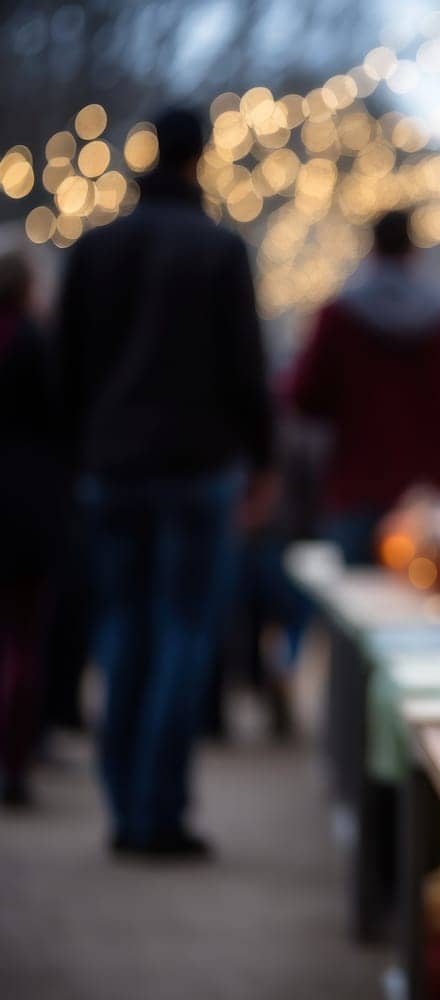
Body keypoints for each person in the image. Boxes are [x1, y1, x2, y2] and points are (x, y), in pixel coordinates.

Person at [57, 107, 276, 857]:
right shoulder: (218, 249)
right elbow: (247, 367)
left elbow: (69, 366)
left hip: (111, 469)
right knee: (183, 635)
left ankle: (127, 807)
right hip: (195, 468)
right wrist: (263, 459)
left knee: (123, 634)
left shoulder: (96, 248)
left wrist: (79, 452)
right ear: (202, 158)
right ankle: (159, 809)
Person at [285, 210, 440, 564]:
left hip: (356, 493)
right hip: (435, 500)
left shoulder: (338, 319)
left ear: (372, 251)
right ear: (415, 252)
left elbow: (304, 396)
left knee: (352, 607)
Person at [0, 251, 68, 808]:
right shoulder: (35, 343)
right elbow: (60, 422)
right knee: (24, 638)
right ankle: (15, 759)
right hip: (26, 509)